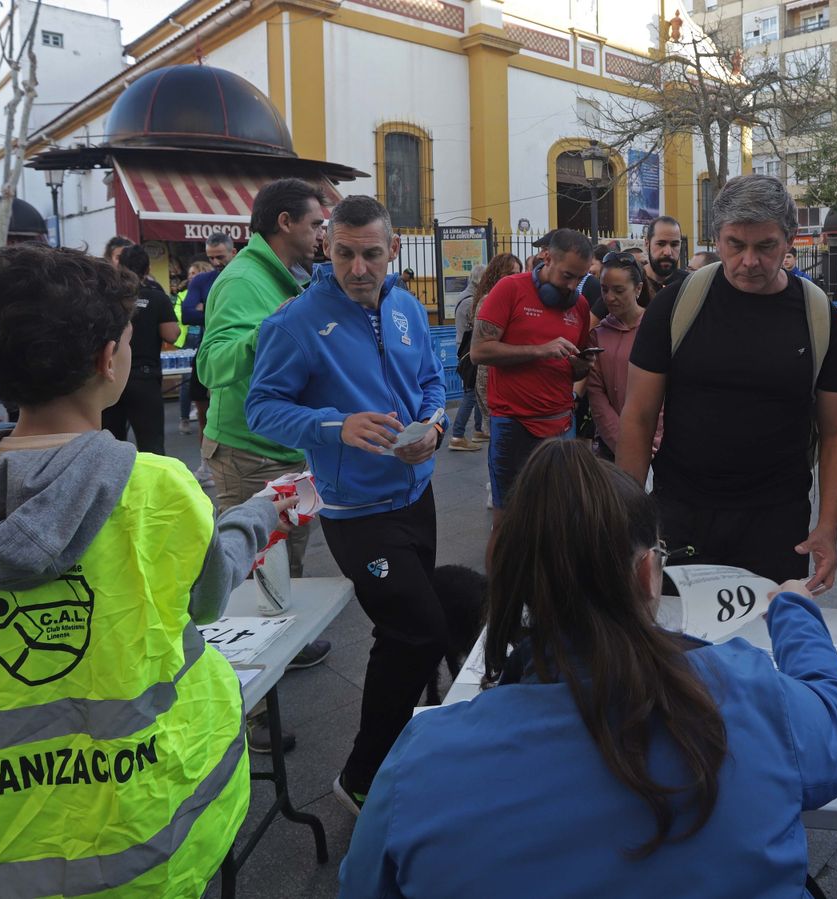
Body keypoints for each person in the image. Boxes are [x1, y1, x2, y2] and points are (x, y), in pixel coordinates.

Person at [0, 244, 296, 897]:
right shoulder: (155, 488)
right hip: (141, 829)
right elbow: (207, 597)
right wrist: (259, 515)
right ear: (107, 359)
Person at [336, 439, 837, 899]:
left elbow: (362, 885)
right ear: (646, 572)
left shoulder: (423, 760)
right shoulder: (750, 693)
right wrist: (794, 612)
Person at [246, 195, 446, 815]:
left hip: (417, 493)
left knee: (403, 634)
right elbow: (262, 409)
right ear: (325, 248)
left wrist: (435, 429)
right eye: (344, 254)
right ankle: (360, 775)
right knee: (419, 630)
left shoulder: (406, 306)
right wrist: (337, 426)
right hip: (356, 512)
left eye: (371, 254)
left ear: (393, 250)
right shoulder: (296, 322)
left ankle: (406, 752)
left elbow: (432, 382)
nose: (358, 268)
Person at [620, 174, 837, 588]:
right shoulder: (675, 306)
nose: (749, 261)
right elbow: (638, 415)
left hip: (777, 522)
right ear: (717, 239)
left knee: (768, 627)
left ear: (789, 240)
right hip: (681, 513)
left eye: (765, 246)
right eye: (736, 245)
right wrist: (627, 520)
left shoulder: (819, 316)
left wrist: (828, 527)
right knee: (673, 627)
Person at [199, 178, 333, 739]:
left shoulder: (293, 277)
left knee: (285, 569)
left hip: (288, 449)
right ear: (285, 223)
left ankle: (286, 649)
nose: (322, 234)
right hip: (248, 454)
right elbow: (211, 364)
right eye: (316, 224)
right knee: (250, 578)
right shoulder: (242, 280)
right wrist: (272, 329)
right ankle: (250, 707)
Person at [470, 227, 594, 524]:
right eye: (567, 276)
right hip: (514, 424)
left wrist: (583, 365)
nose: (572, 286)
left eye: (580, 278)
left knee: (558, 517)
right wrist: (540, 350)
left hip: (561, 425)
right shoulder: (510, 289)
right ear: (546, 257)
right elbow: (479, 351)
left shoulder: (579, 305)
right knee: (509, 519)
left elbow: (577, 362)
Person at [102, 245, 180, 455]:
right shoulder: (156, 297)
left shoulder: (108, 297)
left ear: (119, 266)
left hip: (110, 377)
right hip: (144, 378)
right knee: (151, 446)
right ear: (148, 269)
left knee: (110, 446)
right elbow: (171, 335)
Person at [586, 252, 661, 460]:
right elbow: (596, 395)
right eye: (604, 289)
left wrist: (654, 439)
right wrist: (621, 441)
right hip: (612, 447)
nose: (610, 297)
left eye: (618, 290)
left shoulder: (658, 328)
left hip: (657, 446)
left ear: (638, 289)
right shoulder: (598, 334)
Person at [449, 255, 521, 451]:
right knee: (470, 396)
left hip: (498, 371)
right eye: (509, 273)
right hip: (480, 363)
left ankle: (478, 430)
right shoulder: (486, 300)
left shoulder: (504, 298)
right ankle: (458, 435)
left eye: (517, 273)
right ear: (496, 275)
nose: (514, 278)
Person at [178, 231, 237, 442]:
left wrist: (205, 311)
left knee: (235, 415)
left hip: (235, 351)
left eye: (220, 257)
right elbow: (187, 314)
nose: (215, 262)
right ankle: (206, 458)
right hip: (207, 352)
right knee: (204, 417)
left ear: (233, 253)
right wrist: (227, 314)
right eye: (211, 257)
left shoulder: (243, 278)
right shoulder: (202, 280)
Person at [640, 214, 688, 307]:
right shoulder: (632, 283)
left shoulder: (688, 283)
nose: (668, 252)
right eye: (661, 244)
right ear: (647, 244)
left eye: (674, 245)